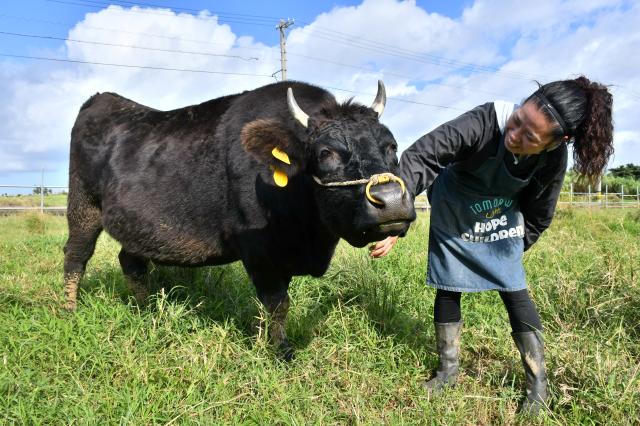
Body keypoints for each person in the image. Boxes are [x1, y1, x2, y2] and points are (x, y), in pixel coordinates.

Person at [370, 76, 614, 415]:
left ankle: (538, 385)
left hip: (500, 211)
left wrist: (513, 248)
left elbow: (541, 209)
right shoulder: (484, 121)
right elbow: (423, 157)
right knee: (449, 284)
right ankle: (447, 372)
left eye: (530, 137)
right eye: (518, 121)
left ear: (555, 143)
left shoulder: (553, 159)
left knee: (515, 290)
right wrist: (397, 217)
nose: (515, 135)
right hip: (455, 204)